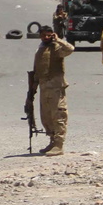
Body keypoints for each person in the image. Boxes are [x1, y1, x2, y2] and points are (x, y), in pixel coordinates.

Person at [33, 25, 74, 156]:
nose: (46, 37)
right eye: (43, 35)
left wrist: (58, 40)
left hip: (56, 87)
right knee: (46, 117)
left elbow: (70, 49)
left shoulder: (56, 48)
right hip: (44, 87)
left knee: (58, 115)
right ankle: (52, 141)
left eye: (48, 35)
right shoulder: (40, 48)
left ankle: (59, 144)